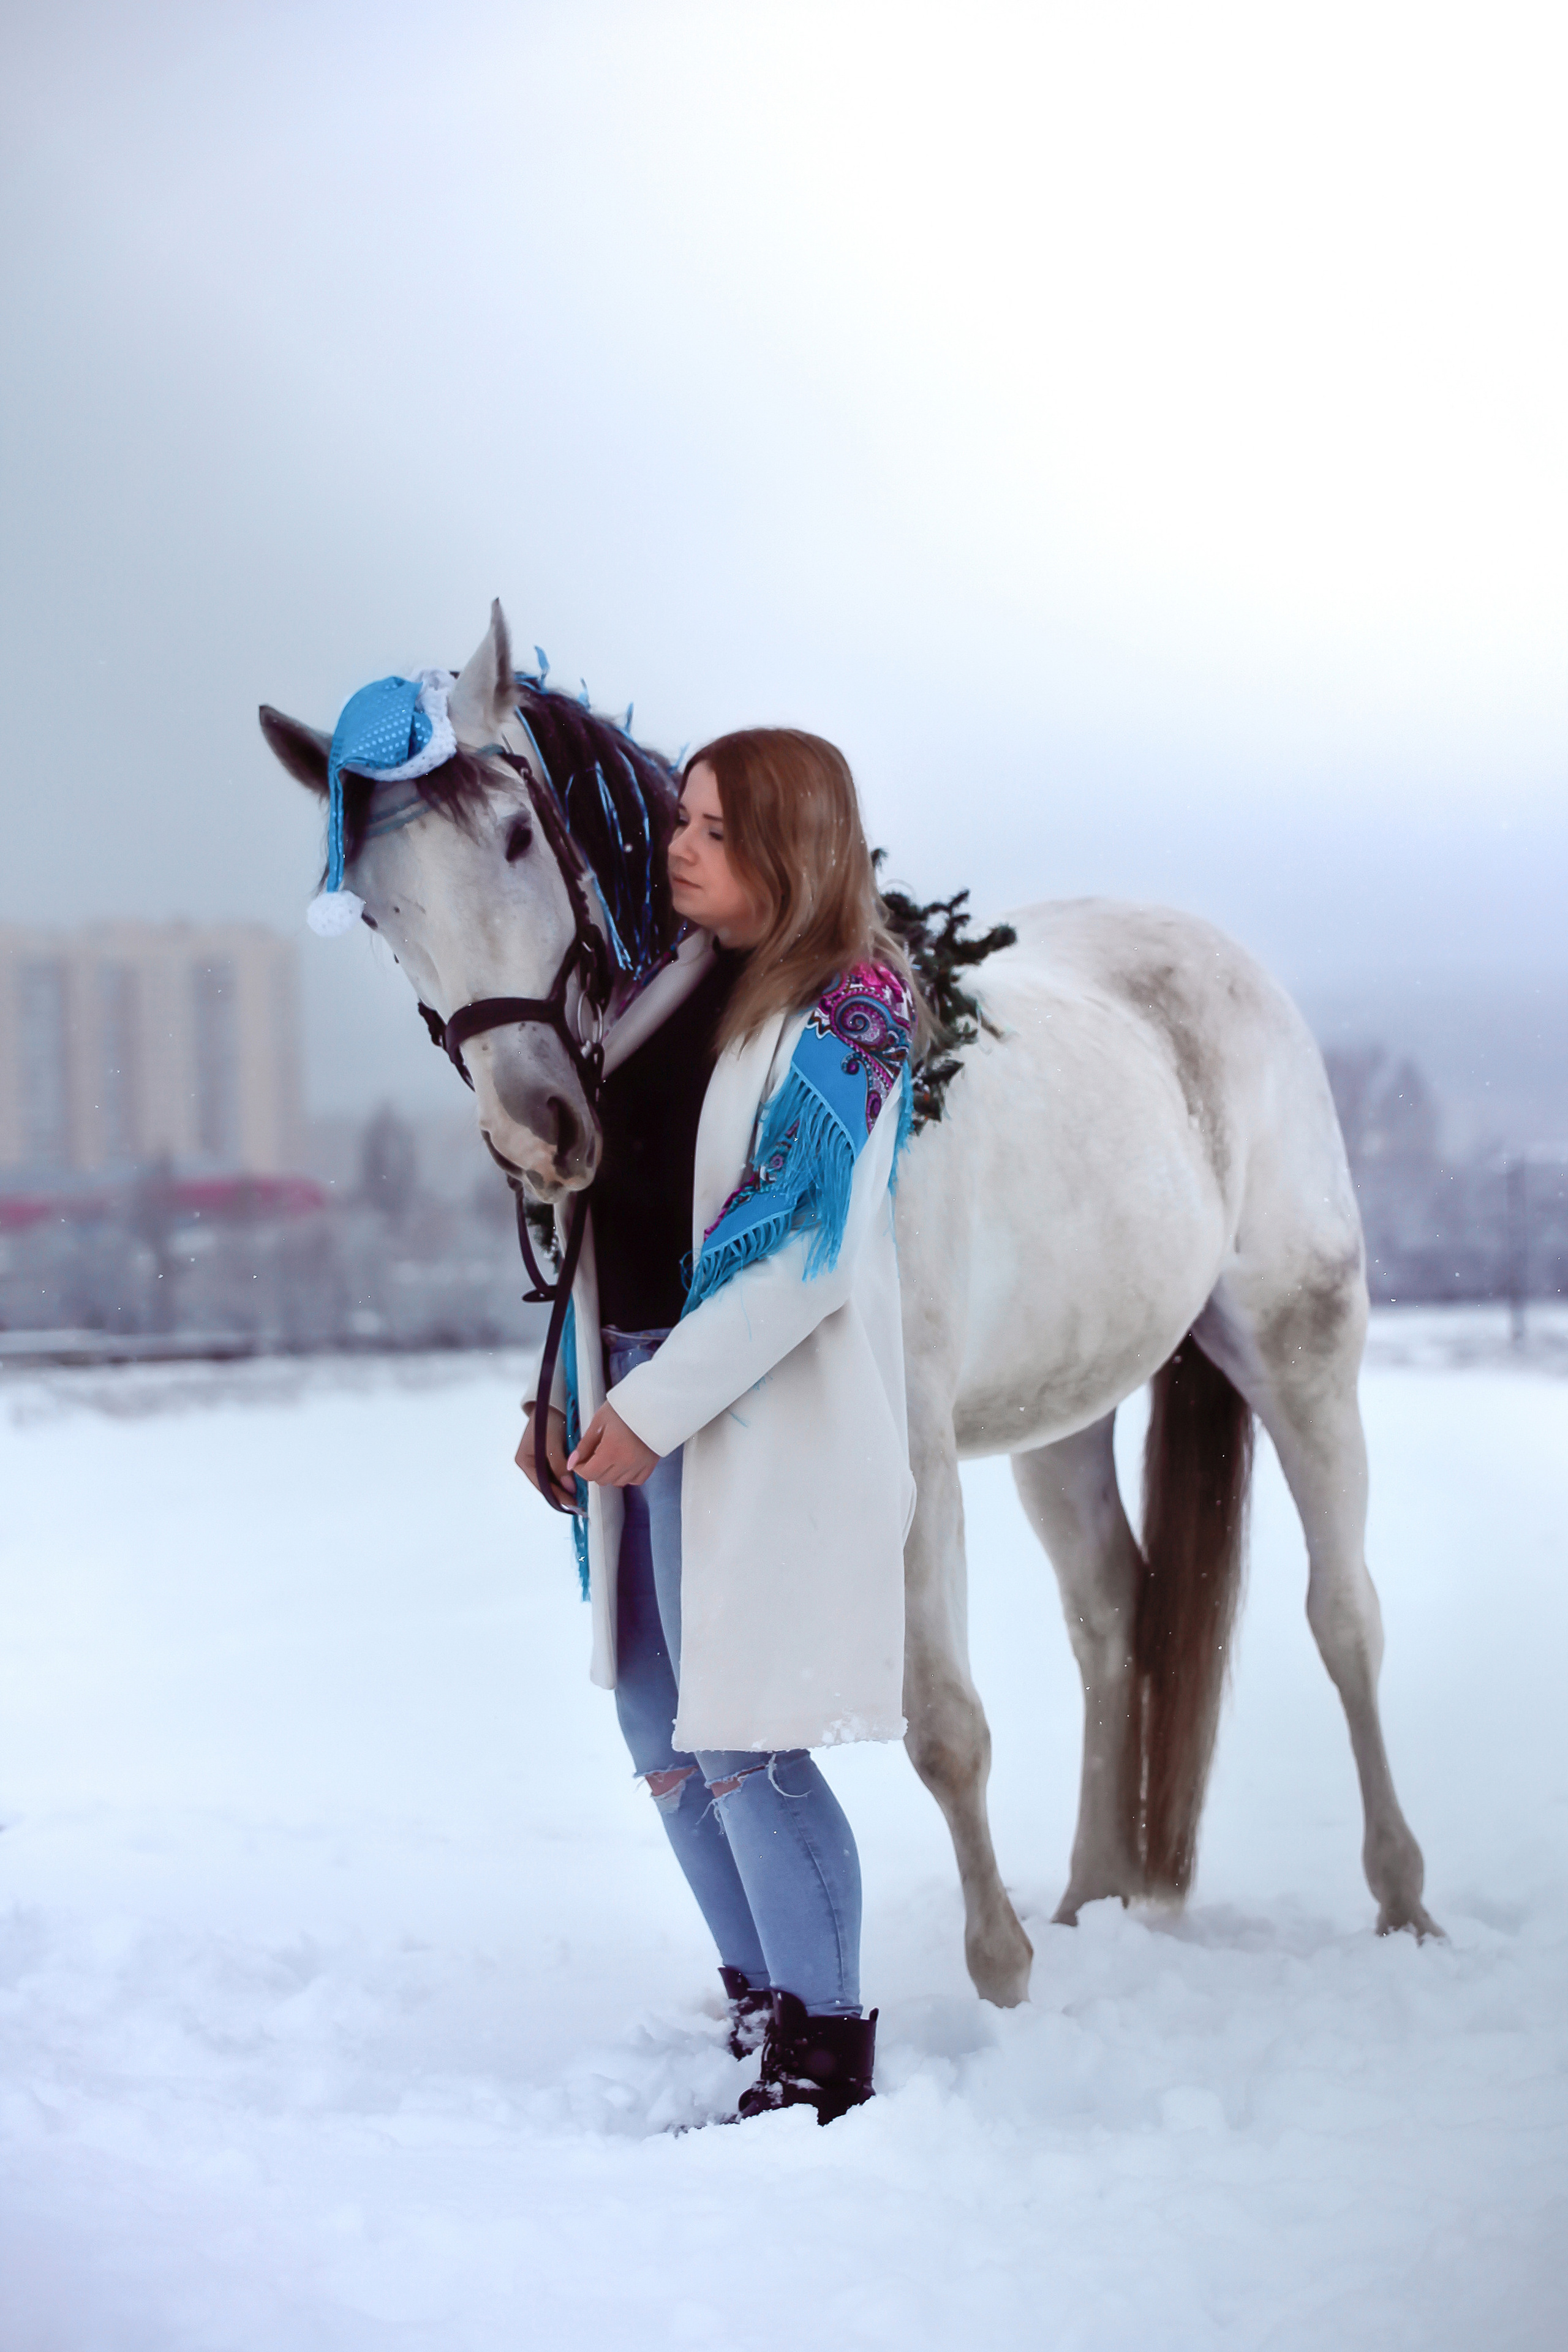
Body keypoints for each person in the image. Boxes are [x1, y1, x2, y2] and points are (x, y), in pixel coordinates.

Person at [516, 728, 924, 2125]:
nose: (678, 846)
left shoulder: (851, 1015)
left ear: (788, 846)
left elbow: (799, 1260)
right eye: (680, 822)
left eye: (711, 828)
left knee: (745, 1730)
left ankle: (826, 2052)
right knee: (658, 1718)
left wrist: (648, 1406)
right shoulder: (666, 991)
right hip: (625, 1387)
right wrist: (565, 1389)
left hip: (741, 1405)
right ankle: (761, 1994)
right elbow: (599, 1213)